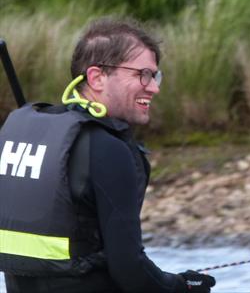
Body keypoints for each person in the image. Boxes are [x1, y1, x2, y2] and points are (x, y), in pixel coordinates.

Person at [0, 17, 216, 293]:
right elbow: (130, 270)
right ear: (97, 77)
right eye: (143, 74)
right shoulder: (105, 147)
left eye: (155, 75)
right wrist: (182, 285)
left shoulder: (25, 138)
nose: (154, 87)